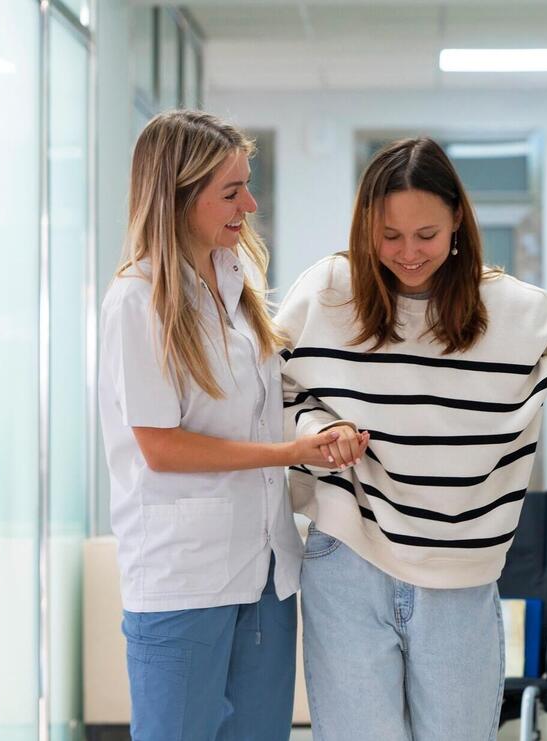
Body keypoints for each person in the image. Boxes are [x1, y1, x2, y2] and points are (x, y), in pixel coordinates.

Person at [276, 137, 547, 740]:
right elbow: (274, 388)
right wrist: (317, 429)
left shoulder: (511, 308)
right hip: (347, 558)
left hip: (461, 572)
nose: (407, 253)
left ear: (458, 219)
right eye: (389, 236)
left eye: (425, 234)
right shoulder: (327, 294)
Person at [97, 110, 354, 741]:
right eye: (232, 191)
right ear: (180, 197)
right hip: (183, 575)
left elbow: (265, 399)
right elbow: (161, 446)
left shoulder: (238, 280)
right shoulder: (138, 299)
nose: (251, 202)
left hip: (266, 569)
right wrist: (289, 453)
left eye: (247, 184)